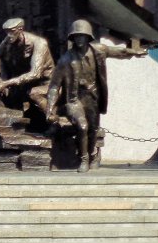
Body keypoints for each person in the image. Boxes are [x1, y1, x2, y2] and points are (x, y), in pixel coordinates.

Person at [46, 20, 145, 172]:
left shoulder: (99, 50)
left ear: (88, 37)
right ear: (72, 38)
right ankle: (83, 159)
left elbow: (118, 52)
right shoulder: (66, 60)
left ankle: (93, 155)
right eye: (77, 36)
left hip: (93, 98)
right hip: (74, 100)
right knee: (83, 126)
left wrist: (134, 52)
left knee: (93, 129)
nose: (80, 39)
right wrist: (50, 108)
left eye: (83, 36)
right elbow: (54, 86)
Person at [0, 17, 54, 122]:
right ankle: (16, 125)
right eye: (6, 32)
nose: (8, 35)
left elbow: (35, 74)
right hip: (23, 84)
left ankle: (53, 120)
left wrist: (6, 83)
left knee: (34, 93)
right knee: (3, 95)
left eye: (12, 31)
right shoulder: (8, 40)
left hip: (46, 84)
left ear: (20, 29)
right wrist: (2, 79)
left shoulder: (39, 43)